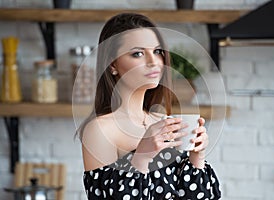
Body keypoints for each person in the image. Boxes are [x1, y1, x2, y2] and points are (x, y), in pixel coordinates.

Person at [78, 13, 221, 199]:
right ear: (113, 64)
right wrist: (141, 157)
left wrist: (197, 157)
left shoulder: (161, 122)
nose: (153, 62)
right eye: (138, 53)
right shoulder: (99, 130)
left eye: (157, 51)